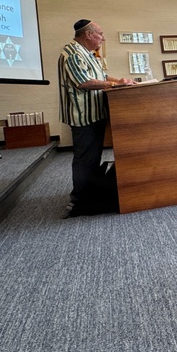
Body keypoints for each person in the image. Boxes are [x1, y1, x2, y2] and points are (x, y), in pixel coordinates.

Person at [57, 19, 135, 216]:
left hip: (96, 114)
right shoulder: (72, 53)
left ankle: (89, 196)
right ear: (88, 34)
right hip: (83, 117)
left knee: (93, 158)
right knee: (85, 159)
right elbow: (84, 82)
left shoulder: (88, 55)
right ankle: (77, 202)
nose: (103, 37)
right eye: (100, 34)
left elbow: (102, 75)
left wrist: (122, 81)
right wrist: (116, 86)